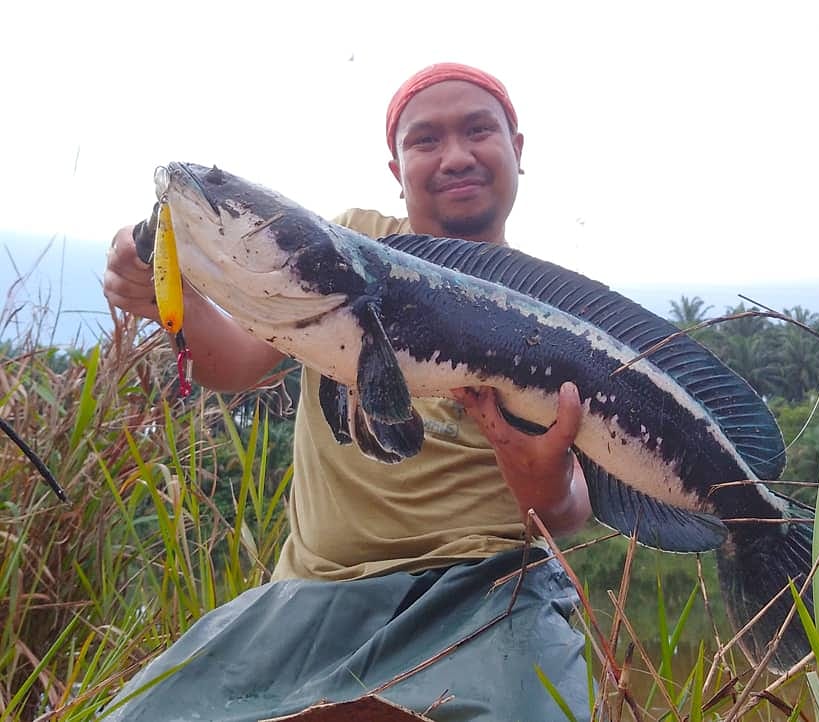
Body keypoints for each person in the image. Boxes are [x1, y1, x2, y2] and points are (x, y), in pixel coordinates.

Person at [102, 62, 593, 722]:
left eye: (478, 130)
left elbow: (570, 514)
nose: (454, 156)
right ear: (395, 166)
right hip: (310, 597)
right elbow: (234, 365)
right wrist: (172, 298)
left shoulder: (556, 314)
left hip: (489, 593)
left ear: (517, 149)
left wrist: (546, 486)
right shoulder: (346, 242)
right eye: (424, 140)